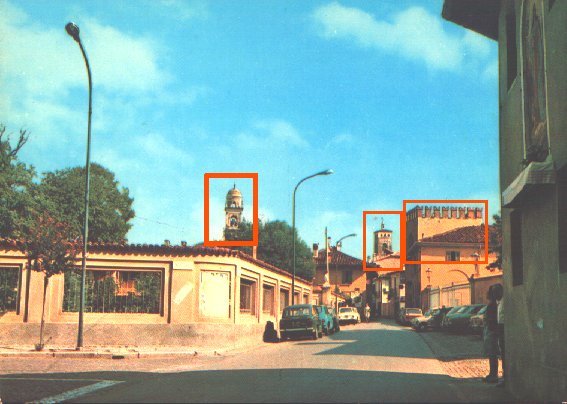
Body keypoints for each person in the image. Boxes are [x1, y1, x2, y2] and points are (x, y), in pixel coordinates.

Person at [483, 285, 500, 383]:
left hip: (491, 332)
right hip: (490, 331)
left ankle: (494, 375)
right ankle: (492, 374)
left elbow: (492, 319)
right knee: (491, 354)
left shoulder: (493, 305)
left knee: (493, 354)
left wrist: (491, 329)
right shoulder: (493, 304)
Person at [492, 283, 505, 387]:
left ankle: (506, 377)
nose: (494, 294)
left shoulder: (505, 301)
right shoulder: (497, 302)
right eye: (493, 292)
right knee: (502, 352)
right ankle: (505, 377)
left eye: (496, 292)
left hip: (505, 328)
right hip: (500, 329)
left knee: (505, 353)